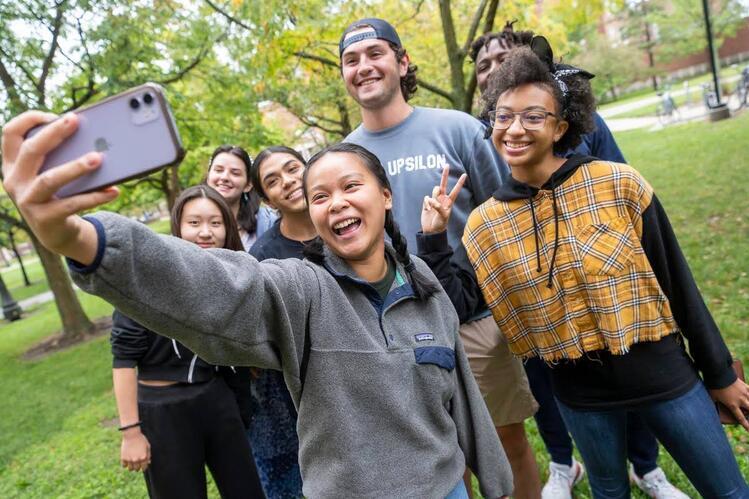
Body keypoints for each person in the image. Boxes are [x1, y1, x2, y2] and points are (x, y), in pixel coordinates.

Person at [1, 114, 514, 498]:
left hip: (447, 489)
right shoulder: (302, 291)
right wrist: (80, 238)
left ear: (384, 197)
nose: (335, 202)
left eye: (351, 186)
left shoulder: (421, 279)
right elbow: (215, 283)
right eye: (319, 196)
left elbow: (461, 392)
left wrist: (495, 481)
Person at [461, 42, 749, 497]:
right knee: (608, 491)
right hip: (581, 398)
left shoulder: (618, 184)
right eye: (503, 115)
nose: (515, 128)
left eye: (533, 117)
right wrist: (434, 237)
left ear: (561, 126)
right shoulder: (486, 224)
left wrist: (720, 374)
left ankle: (651, 469)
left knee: (729, 491)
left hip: (664, 377)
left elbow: (679, 283)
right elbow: (479, 306)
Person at [339, 18, 541, 497]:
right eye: (351, 60)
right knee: (442, 457)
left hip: (473, 321)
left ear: (402, 62)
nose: (364, 67)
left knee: (506, 442)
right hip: (395, 331)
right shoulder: (344, 155)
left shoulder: (458, 129)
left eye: (375, 54)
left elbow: (508, 217)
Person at [110, 185, 265, 499]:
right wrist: (130, 432)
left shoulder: (232, 276)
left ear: (227, 229)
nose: (205, 232)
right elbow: (124, 360)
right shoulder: (146, 280)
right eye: (194, 223)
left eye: (215, 223)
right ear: (178, 225)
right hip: (163, 410)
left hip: (217, 398)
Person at [243, 146, 313, 499]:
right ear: (268, 200)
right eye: (273, 180)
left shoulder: (346, 220)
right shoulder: (264, 256)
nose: (287, 182)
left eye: (292, 168)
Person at [205, 144, 275, 250]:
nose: (224, 177)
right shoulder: (188, 218)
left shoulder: (268, 222)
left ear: (248, 185)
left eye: (235, 173)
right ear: (208, 176)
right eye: (218, 170)